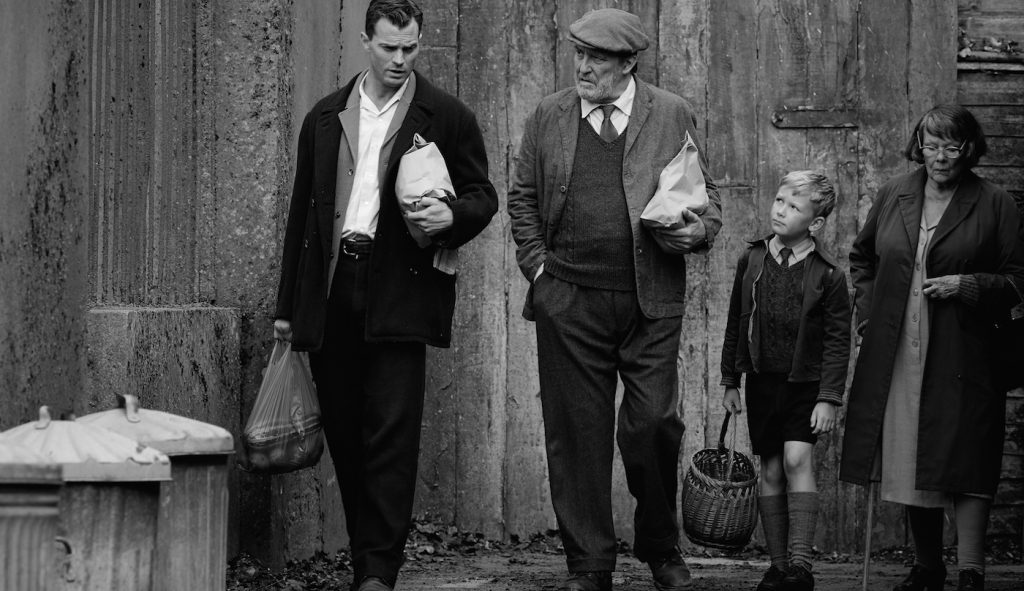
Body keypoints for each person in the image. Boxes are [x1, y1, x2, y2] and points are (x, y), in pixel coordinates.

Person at [272, 1, 497, 589]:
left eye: (411, 49)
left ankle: (378, 572)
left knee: (391, 437)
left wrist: (452, 217)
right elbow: (303, 216)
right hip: (332, 287)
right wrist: (285, 311)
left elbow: (483, 194)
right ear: (366, 42)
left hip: (402, 286)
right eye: (390, 47)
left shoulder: (445, 115)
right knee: (346, 434)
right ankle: (365, 558)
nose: (401, 59)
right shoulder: (325, 116)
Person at [507, 8, 722, 591]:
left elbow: (707, 205)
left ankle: (659, 547)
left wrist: (696, 232)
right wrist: (539, 273)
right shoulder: (548, 115)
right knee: (577, 435)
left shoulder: (670, 112)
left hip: (649, 301)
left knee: (652, 426)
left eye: (596, 58)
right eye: (578, 54)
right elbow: (521, 198)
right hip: (569, 300)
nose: (583, 67)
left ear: (628, 63)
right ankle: (590, 564)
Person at [839, 104, 1024, 591]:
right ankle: (927, 567)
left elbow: (1018, 279)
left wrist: (968, 285)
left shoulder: (994, 202)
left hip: (965, 348)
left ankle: (971, 569)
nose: (939, 157)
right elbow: (863, 258)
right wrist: (868, 317)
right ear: (918, 145)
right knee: (908, 453)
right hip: (901, 349)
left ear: (968, 149)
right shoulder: (895, 193)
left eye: (950, 147)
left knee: (967, 455)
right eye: (930, 145)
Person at [720, 171, 851, 591]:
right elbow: (735, 323)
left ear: (814, 223)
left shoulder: (828, 275)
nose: (780, 210)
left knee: (797, 460)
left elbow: (837, 341)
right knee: (771, 467)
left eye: (793, 207)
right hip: (762, 382)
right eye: (779, 201)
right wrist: (730, 380)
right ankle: (777, 567)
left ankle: (800, 567)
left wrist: (829, 398)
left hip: (804, 386)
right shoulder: (753, 259)